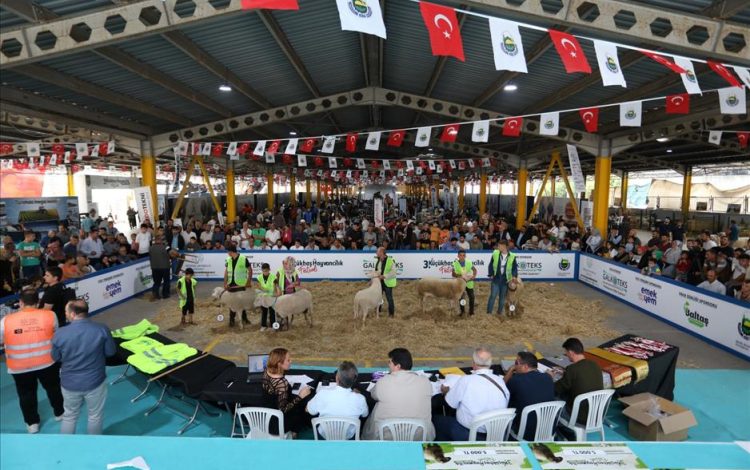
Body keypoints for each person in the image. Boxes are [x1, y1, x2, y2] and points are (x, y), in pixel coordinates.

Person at [0, 289, 64, 433]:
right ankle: (60, 413)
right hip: (47, 362)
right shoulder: (50, 315)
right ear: (38, 301)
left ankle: (32, 423)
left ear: (21, 302)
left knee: (26, 394)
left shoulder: (6, 321)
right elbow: (55, 334)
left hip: (19, 366)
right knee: (53, 388)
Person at [52, 299, 115, 434]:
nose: (65, 314)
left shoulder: (59, 333)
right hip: (95, 381)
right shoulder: (101, 329)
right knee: (95, 416)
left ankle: (66, 444)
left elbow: (55, 357)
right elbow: (110, 352)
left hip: (69, 383)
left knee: (69, 416)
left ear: (73, 314)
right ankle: (93, 443)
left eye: (66, 312)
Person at [433, 347, 509, 441]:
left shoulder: (466, 380)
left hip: (468, 434)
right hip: (497, 435)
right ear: (490, 363)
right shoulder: (500, 381)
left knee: (437, 420)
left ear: (473, 363)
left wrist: (447, 391)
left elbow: (451, 404)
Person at [363, 348, 434, 440]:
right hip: (420, 437)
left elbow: (373, 395)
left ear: (398, 366)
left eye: (390, 362)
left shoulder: (383, 381)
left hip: (384, 437)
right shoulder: (425, 381)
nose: (388, 364)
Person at [306, 361, 369, 440]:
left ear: (337, 378)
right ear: (354, 380)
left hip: (324, 437)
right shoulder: (360, 399)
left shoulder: (322, 394)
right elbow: (365, 415)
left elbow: (309, 410)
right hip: (349, 438)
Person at [550, 338, 603, 428]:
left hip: (578, 417)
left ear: (571, 352)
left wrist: (549, 377)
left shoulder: (572, 369)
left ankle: (557, 428)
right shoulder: (595, 365)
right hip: (596, 415)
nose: (566, 355)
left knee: (551, 398)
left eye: (566, 352)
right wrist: (566, 374)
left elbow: (555, 389)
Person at [504, 351, 555, 441]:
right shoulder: (548, 377)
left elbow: (502, 389)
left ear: (525, 366)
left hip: (525, 433)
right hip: (548, 430)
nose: (515, 365)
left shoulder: (516, 380)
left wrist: (510, 370)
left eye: (516, 363)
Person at [261, 348, 312, 437]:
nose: (291, 361)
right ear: (279, 364)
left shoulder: (266, 371)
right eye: (288, 360)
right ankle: (294, 433)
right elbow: (283, 409)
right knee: (303, 405)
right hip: (277, 424)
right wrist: (300, 396)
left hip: (265, 418)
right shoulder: (281, 383)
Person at [487, 240, 518, 316]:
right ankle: (489, 313)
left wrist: (514, 276)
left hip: (505, 280)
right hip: (496, 278)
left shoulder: (512, 256)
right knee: (493, 296)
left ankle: (499, 313)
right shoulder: (495, 253)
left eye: (499, 246)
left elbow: (514, 268)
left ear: (504, 246)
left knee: (502, 297)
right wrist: (491, 273)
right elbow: (491, 264)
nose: (498, 247)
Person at [224, 245, 251, 327]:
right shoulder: (228, 259)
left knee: (241, 302)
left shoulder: (243, 258)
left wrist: (248, 281)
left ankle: (244, 318)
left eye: (228, 251)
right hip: (231, 285)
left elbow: (250, 270)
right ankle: (231, 320)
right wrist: (225, 283)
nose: (227, 253)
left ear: (231, 251)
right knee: (232, 303)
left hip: (241, 285)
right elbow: (226, 272)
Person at [374, 247, 397, 317]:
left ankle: (391, 314)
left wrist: (384, 276)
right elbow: (377, 270)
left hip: (388, 282)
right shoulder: (378, 261)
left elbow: (394, 272)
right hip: (380, 282)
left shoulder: (390, 261)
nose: (376, 253)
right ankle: (378, 311)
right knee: (378, 297)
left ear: (381, 253)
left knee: (389, 298)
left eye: (377, 252)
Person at [452, 250, 477, 316]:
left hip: (469, 283)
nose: (462, 257)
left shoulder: (469, 262)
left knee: (472, 297)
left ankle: (471, 312)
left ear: (465, 256)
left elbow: (474, 270)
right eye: (460, 255)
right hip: (460, 283)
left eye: (463, 255)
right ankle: (462, 311)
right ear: (458, 256)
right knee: (462, 298)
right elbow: (453, 274)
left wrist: (474, 276)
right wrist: (461, 276)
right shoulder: (455, 263)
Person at [148, 236, 171, 301]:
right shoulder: (166, 247)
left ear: (155, 241)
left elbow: (150, 257)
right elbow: (172, 254)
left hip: (154, 267)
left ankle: (155, 295)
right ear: (161, 240)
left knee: (156, 282)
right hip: (165, 267)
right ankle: (165, 294)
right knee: (166, 281)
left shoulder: (150, 248)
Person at [257, 263, 277, 331]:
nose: (265, 272)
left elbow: (275, 287)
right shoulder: (259, 277)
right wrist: (263, 289)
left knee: (272, 311)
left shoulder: (273, 276)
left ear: (269, 270)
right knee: (264, 311)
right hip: (263, 297)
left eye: (266, 271)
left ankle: (273, 325)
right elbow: (259, 286)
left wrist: (272, 293)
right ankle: (263, 325)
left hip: (271, 297)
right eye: (263, 271)